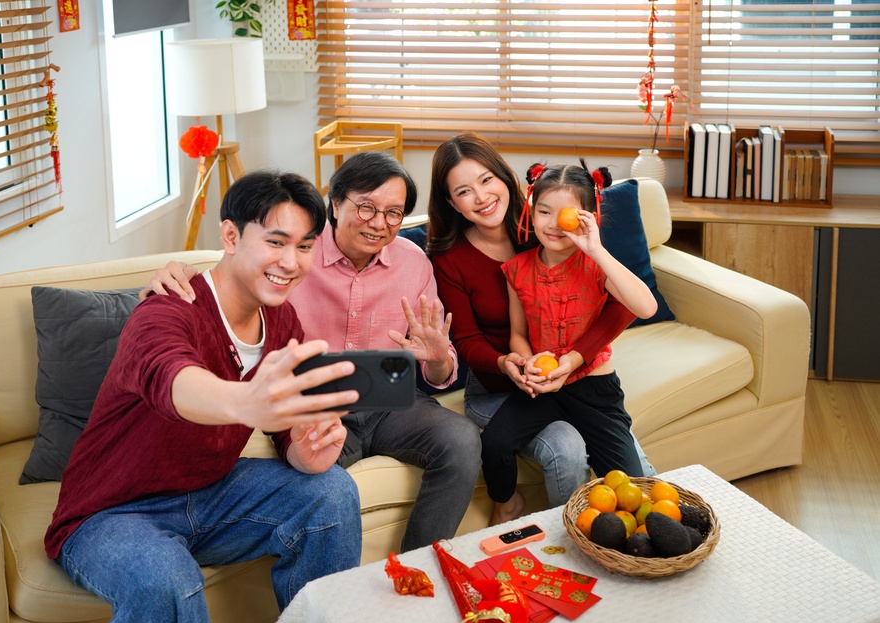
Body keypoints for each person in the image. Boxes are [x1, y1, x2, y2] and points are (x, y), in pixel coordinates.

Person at [45, 171, 363, 623]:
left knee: (333, 491)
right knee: (167, 578)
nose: (290, 262)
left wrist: (307, 450)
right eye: (276, 242)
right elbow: (172, 378)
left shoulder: (281, 319)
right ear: (231, 236)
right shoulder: (166, 310)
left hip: (211, 493)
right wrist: (243, 401)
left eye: (304, 247)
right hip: (110, 513)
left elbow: (285, 433)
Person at [141, 151, 482, 553]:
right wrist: (176, 274)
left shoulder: (414, 263)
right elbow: (232, 277)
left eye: (393, 213)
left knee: (461, 439)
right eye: (367, 207)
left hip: (391, 401)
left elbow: (438, 374)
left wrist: (440, 359)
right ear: (335, 203)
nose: (379, 223)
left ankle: (416, 567)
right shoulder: (295, 255)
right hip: (316, 405)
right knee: (317, 485)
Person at [428, 132, 655, 524]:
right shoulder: (475, 259)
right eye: (464, 191)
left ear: (505, 178)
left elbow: (631, 305)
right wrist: (515, 361)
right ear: (451, 202)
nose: (481, 197)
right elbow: (468, 339)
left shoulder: (556, 233)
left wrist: (574, 357)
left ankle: (635, 523)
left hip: (584, 377)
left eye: (486, 180)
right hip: (521, 380)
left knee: (632, 475)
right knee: (550, 447)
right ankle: (539, 521)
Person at [479, 161, 657, 517]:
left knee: (631, 488)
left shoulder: (596, 265)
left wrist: (596, 249)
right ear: (531, 208)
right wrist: (529, 361)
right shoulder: (517, 269)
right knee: (494, 442)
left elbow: (646, 306)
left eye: (566, 215)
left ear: (587, 217)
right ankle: (506, 505)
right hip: (544, 388)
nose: (552, 223)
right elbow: (517, 333)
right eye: (544, 211)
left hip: (595, 392)